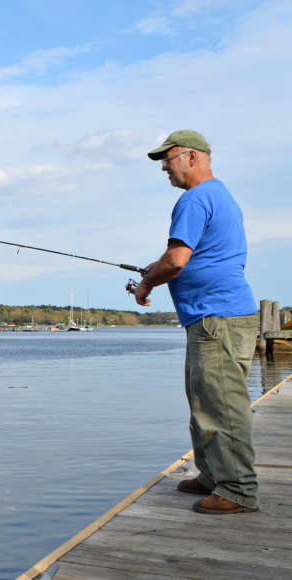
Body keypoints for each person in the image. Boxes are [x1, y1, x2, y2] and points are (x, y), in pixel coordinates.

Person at [134, 130, 259, 514]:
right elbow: (189, 257)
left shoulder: (195, 198)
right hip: (216, 317)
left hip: (216, 317)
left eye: (167, 161)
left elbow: (176, 261)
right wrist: (156, 269)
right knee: (205, 400)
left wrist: (145, 283)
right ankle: (211, 474)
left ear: (191, 157)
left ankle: (237, 489)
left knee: (222, 404)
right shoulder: (219, 195)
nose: (165, 171)